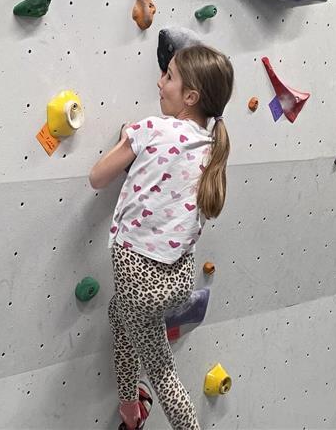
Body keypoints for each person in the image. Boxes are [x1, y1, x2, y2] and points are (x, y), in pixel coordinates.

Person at [88, 43, 234, 430]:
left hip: (139, 277)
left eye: (168, 75)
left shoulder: (151, 129)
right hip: (176, 281)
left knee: (164, 374)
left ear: (191, 96)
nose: (159, 81)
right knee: (119, 315)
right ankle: (130, 412)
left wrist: (126, 140)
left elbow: (97, 177)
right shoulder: (212, 148)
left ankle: (156, 418)